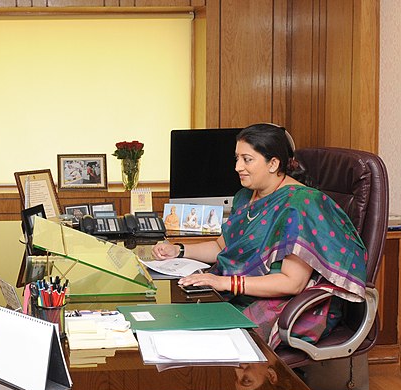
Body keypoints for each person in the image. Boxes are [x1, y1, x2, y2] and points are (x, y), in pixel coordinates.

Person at [152, 123, 367, 348]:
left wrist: (224, 282)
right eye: (236, 158)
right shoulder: (246, 197)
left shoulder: (300, 206)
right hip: (241, 290)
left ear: (273, 163)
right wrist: (178, 250)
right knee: (174, 320)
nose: (237, 167)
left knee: (209, 342)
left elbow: (292, 283)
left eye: (247, 159)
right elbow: (221, 247)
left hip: (285, 303)